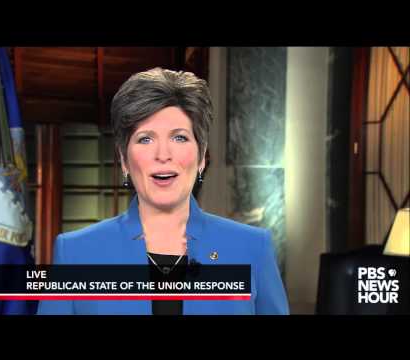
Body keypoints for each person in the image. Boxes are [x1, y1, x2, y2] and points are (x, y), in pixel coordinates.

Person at [37, 68, 289, 315]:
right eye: (145, 139)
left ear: (201, 157)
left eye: (179, 138)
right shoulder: (76, 252)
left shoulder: (252, 248)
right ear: (124, 160)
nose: (163, 155)